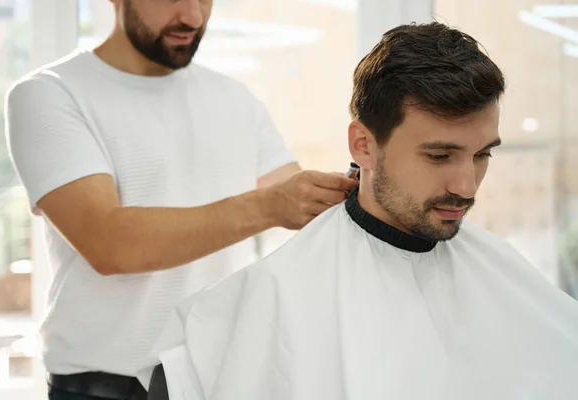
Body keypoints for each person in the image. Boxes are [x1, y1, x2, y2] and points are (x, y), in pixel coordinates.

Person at [145, 22, 578, 400]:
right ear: (363, 145)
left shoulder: (502, 271)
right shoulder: (277, 298)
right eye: (440, 156)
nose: (467, 187)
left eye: (482, 155)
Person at [4, 0, 358, 399]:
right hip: (104, 388)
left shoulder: (235, 100)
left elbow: (307, 208)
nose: (192, 17)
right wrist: (269, 206)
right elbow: (108, 243)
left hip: (219, 381)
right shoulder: (48, 95)